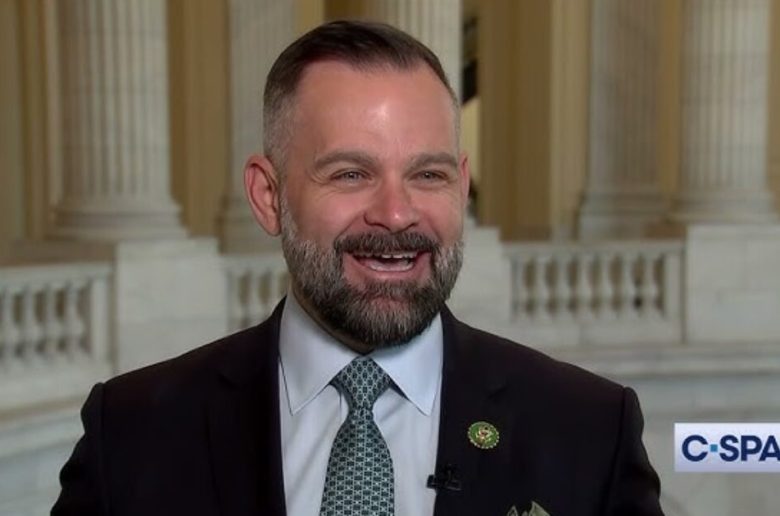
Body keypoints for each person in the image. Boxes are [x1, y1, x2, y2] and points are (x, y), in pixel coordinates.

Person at [53, 20, 664, 516]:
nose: (396, 214)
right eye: (350, 173)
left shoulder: (590, 431)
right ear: (268, 196)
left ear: (462, 185)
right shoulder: (132, 433)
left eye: (428, 174)